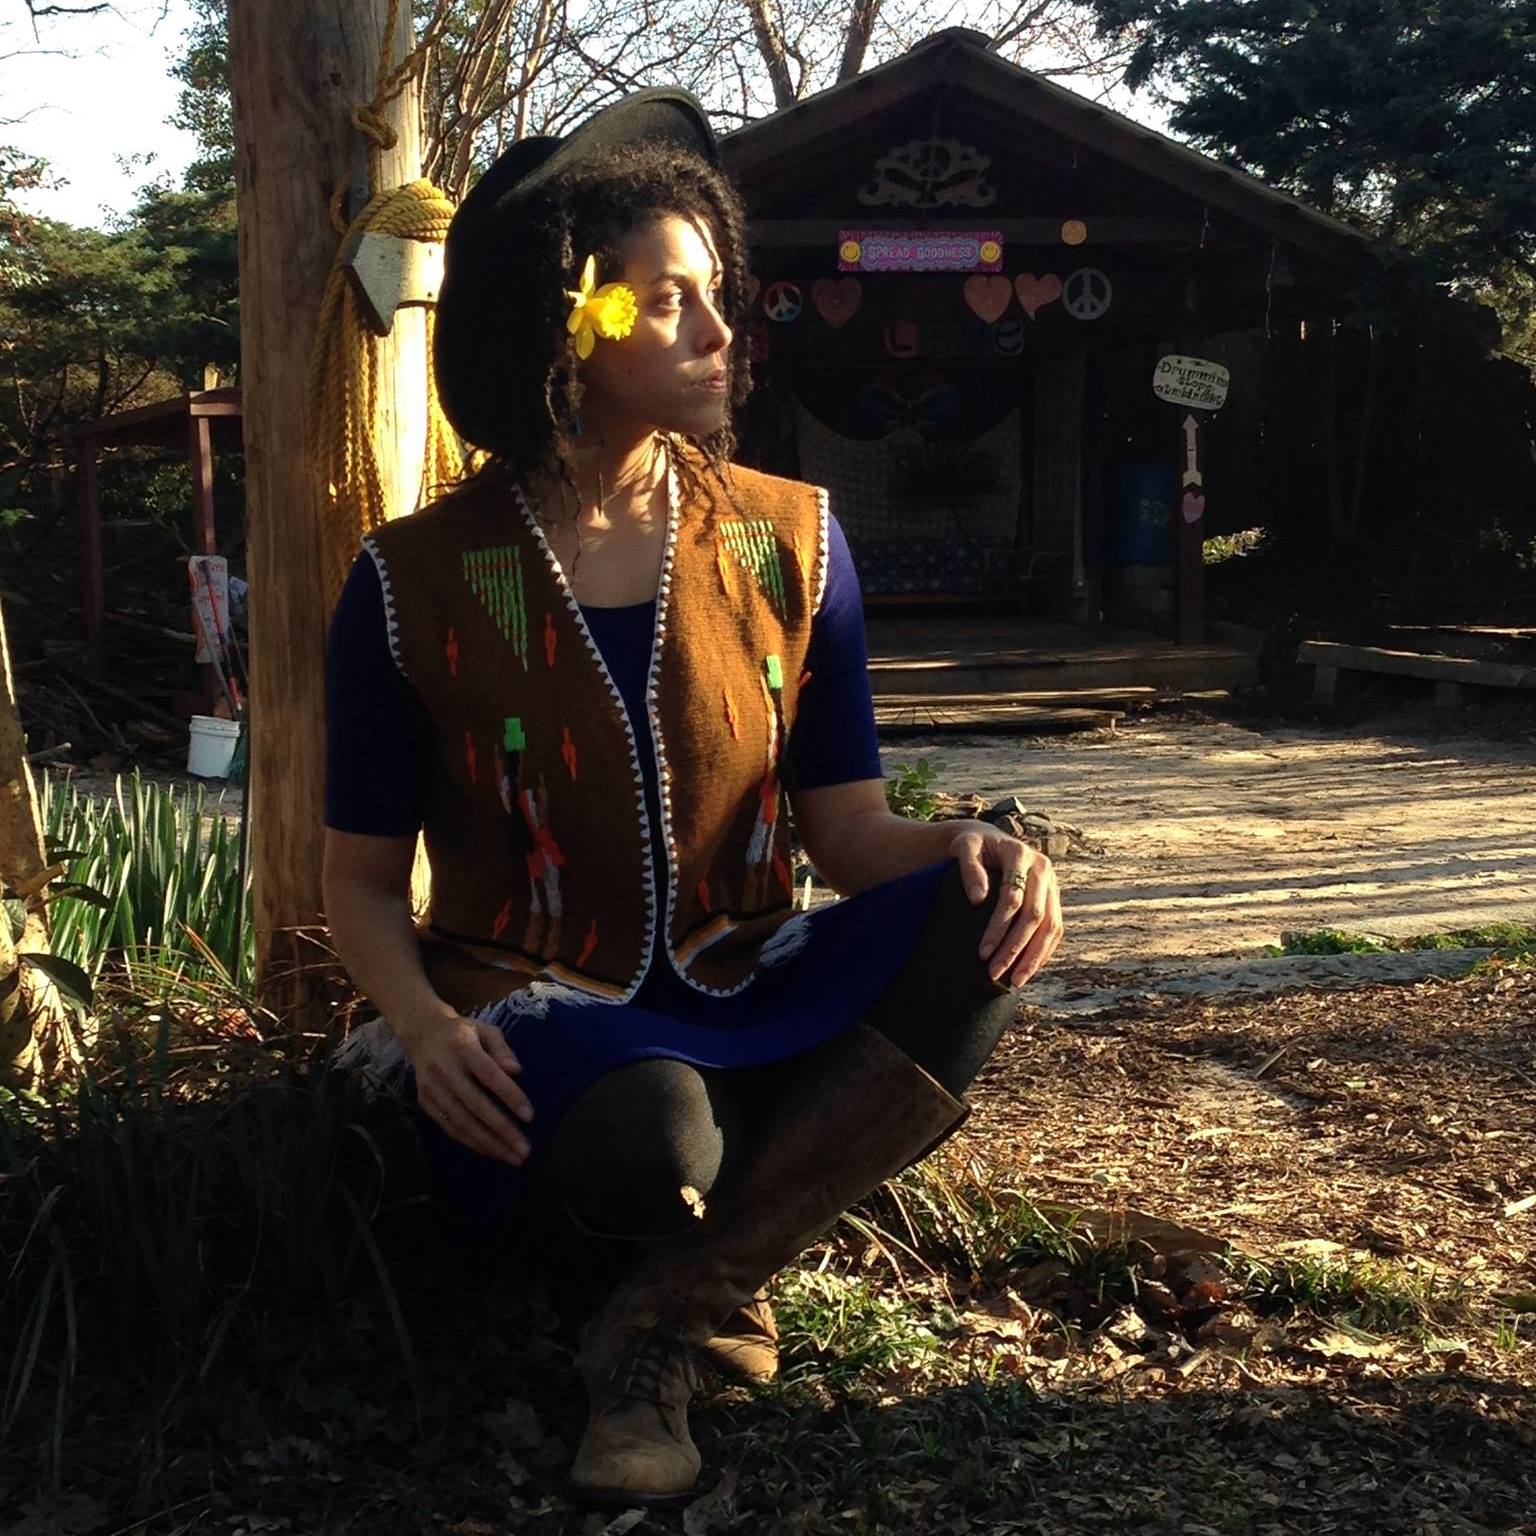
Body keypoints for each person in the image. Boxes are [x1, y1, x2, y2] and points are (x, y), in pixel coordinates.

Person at [322, 89, 1063, 1507]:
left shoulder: (794, 542)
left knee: (980, 922)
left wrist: (969, 841)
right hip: (536, 1004)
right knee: (657, 1137)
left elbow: (846, 830)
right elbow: (359, 876)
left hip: (748, 973)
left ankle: (661, 1317)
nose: (720, 333)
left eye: (715, 294)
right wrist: (421, 1030)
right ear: (568, 327)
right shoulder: (411, 584)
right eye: (668, 303)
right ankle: (701, 1260)